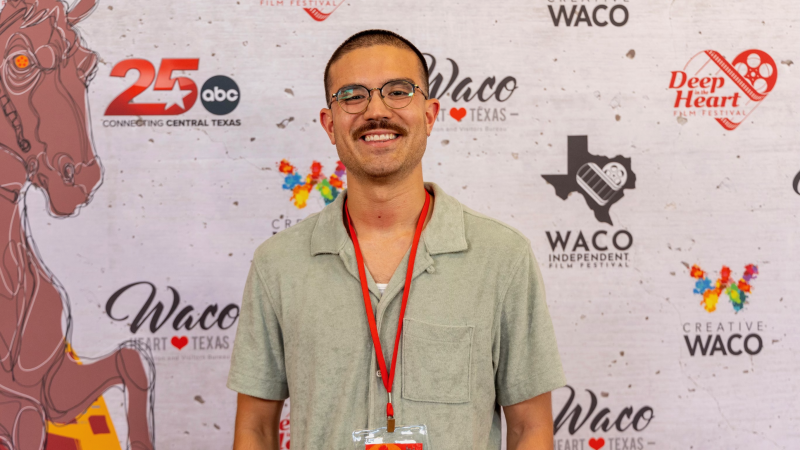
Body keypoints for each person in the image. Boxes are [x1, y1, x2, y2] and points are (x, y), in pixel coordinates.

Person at [228, 29, 566, 450]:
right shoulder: (278, 263)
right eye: (352, 95)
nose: (376, 110)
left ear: (428, 114)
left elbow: (530, 429)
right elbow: (255, 430)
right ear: (329, 124)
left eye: (398, 91)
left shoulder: (502, 257)